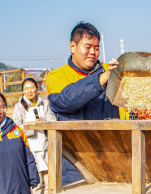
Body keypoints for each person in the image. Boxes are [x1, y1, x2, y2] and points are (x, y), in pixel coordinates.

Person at [46, 22, 119, 185]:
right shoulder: (57, 76)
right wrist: (102, 79)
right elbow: (66, 100)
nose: (93, 52)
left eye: (97, 47)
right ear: (73, 46)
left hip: (111, 159)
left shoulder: (109, 71)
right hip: (75, 164)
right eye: (88, 46)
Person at [12, 78, 55, 194]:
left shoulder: (44, 104)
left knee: (49, 180)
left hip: (45, 145)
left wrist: (44, 123)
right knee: (36, 181)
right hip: (31, 148)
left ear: (37, 88)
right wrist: (32, 127)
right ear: (23, 91)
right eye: (26, 88)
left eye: (32, 88)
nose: (30, 91)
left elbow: (52, 121)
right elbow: (17, 128)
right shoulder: (19, 107)